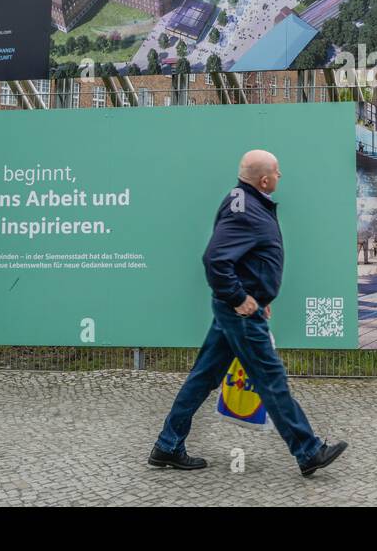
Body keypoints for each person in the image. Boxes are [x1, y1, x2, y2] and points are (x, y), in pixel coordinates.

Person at [149, 149, 347, 478]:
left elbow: (243, 257)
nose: (281, 176)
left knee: (202, 378)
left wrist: (259, 293)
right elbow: (215, 259)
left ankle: (167, 446)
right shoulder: (245, 209)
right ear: (264, 179)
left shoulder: (244, 200)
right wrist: (240, 297)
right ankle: (308, 450)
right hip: (239, 314)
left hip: (237, 309)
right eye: (277, 172)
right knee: (271, 379)